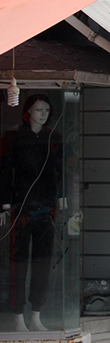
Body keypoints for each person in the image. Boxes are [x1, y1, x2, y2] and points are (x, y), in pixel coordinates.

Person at [0, 94, 62, 331]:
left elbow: (60, 170)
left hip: (46, 209)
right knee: (19, 263)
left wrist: (61, 198)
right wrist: (5, 203)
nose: (42, 114)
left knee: (42, 263)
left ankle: (36, 313)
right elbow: (5, 171)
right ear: (28, 112)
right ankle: (17, 315)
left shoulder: (53, 138)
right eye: (38, 110)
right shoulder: (14, 138)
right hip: (21, 208)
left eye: (46, 110)